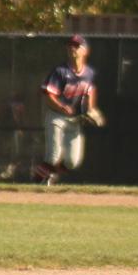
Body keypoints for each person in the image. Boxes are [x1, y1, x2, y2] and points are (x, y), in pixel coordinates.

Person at [33, 34, 101, 187]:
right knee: (53, 156)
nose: (72, 49)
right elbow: (49, 94)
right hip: (56, 117)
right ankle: (36, 184)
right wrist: (62, 106)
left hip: (74, 120)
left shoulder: (89, 73)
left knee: (73, 162)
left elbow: (89, 90)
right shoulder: (60, 71)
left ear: (85, 51)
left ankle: (47, 174)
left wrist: (91, 109)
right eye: (70, 46)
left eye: (76, 46)